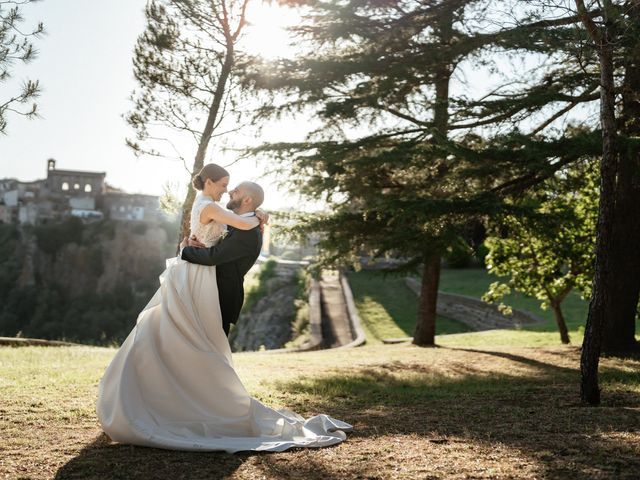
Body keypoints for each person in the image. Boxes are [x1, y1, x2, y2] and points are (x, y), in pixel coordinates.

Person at [96, 163, 352, 453]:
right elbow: (224, 237)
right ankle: (183, 402)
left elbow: (216, 254)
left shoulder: (242, 227)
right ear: (209, 183)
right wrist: (253, 217)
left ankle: (200, 404)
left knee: (201, 348)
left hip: (215, 292)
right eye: (225, 184)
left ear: (247, 200)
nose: (229, 189)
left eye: (235, 188)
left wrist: (186, 248)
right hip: (201, 285)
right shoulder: (225, 213)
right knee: (184, 341)